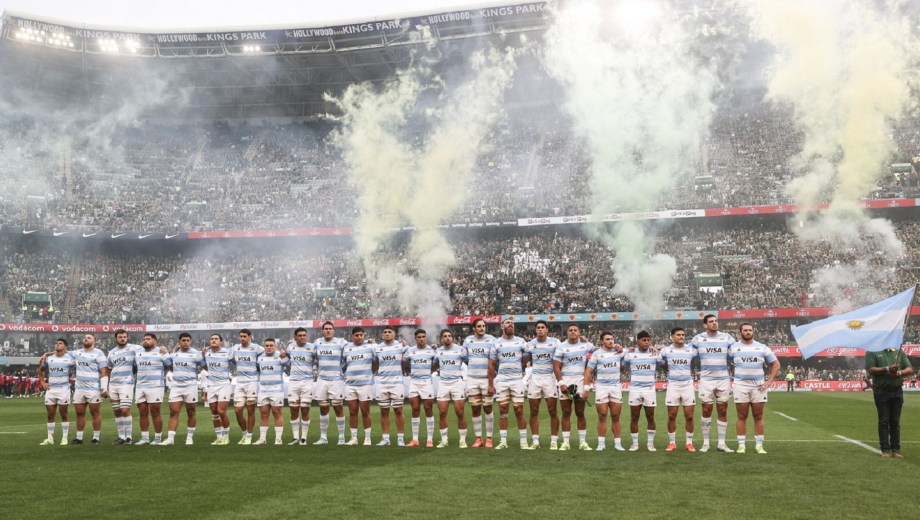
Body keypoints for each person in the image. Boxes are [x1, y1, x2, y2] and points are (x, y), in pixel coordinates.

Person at [729, 323, 780, 454]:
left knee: (758, 415)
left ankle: (759, 446)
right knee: (742, 415)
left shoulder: (762, 347)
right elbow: (724, 362)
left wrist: (768, 381)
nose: (748, 332)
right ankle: (741, 445)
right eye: (745, 330)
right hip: (740, 386)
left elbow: (776, 364)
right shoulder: (733, 348)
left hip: (758, 387)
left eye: (750, 330)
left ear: (753, 332)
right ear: (740, 332)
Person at [689, 314, 735, 453]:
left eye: (716, 321)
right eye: (711, 321)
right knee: (706, 409)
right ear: (705, 325)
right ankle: (706, 443)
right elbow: (686, 352)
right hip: (706, 379)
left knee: (722, 409)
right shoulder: (698, 338)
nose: (714, 323)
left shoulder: (727, 337)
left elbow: (736, 353)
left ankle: (722, 443)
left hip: (723, 378)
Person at [865, 346, 913, 458]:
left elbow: (910, 369)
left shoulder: (899, 351)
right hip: (881, 391)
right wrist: (887, 369)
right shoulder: (873, 351)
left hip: (897, 391)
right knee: (884, 421)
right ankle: (885, 449)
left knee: (895, 422)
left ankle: (896, 449)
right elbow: (871, 369)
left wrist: (899, 373)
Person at [488, 319, 529, 450]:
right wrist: (491, 383)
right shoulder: (496, 343)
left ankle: (523, 441)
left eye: (512, 323)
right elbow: (492, 364)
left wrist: (520, 367)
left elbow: (527, 357)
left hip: (517, 380)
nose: (510, 324)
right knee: (503, 410)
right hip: (502, 381)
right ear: (502, 326)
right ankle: (503, 441)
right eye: (507, 323)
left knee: (519, 410)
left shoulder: (521, 341)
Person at [553, 324, 593, 451]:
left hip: (580, 383)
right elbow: (556, 367)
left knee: (580, 413)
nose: (573, 332)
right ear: (567, 333)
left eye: (575, 330)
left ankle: (583, 442)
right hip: (566, 382)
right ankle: (565, 442)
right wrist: (561, 383)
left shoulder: (586, 345)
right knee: (566, 413)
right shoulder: (561, 347)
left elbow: (600, 349)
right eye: (570, 330)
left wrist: (618, 347)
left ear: (579, 332)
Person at [583, 331, 624, 451]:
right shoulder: (596, 354)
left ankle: (618, 444)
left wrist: (652, 348)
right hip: (601, 387)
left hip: (615, 387)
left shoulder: (619, 352)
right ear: (602, 341)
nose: (611, 341)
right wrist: (586, 388)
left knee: (616, 416)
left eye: (612, 339)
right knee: (602, 415)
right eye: (607, 339)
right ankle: (601, 444)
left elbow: (634, 351)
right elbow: (588, 371)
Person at [523, 320, 560, 450]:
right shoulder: (530, 344)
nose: (540, 329)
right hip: (535, 379)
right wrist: (528, 365)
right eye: (538, 328)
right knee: (534, 411)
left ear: (547, 330)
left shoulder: (555, 342)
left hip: (550, 378)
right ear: (535, 330)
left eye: (542, 327)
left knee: (552, 411)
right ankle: (535, 441)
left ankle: (554, 441)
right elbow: (526, 358)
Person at [162, 333, 204, 446]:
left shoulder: (196, 353)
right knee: (173, 412)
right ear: (179, 341)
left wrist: (204, 356)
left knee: (191, 412)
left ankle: (189, 438)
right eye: (183, 340)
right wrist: (166, 354)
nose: (185, 342)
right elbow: (169, 367)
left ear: (190, 341)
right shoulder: (174, 354)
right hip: (176, 387)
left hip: (190, 386)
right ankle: (170, 439)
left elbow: (204, 366)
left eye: (188, 340)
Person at [660, 327, 697, 452]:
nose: (681, 336)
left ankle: (689, 443)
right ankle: (672, 443)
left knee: (689, 416)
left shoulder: (691, 350)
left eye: (683, 334)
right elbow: (659, 361)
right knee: (671, 415)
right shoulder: (666, 350)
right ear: (672, 337)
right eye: (678, 335)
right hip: (673, 385)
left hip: (687, 385)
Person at [624, 331, 661, 452]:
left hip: (649, 390)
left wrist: (658, 352)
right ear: (637, 341)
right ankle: (635, 444)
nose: (646, 342)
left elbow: (664, 363)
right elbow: (623, 364)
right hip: (635, 389)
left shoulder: (655, 354)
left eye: (648, 340)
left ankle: (650, 444)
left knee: (650, 417)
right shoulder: (630, 354)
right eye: (643, 340)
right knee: (634, 417)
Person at [71, 334, 109, 444]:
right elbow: (62, 353)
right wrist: (47, 354)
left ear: (94, 341)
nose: (86, 338)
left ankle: (96, 437)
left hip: (94, 388)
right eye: (85, 337)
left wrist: (104, 388)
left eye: (89, 337)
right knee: (79, 413)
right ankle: (79, 438)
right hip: (79, 388)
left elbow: (104, 371)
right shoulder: (77, 352)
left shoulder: (99, 353)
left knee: (95, 412)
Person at [314, 321, 348, 445]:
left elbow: (354, 347)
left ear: (333, 331)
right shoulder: (317, 342)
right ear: (322, 331)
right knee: (323, 408)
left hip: (336, 380)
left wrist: (368, 342)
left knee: (338, 407)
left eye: (330, 329)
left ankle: (341, 438)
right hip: (322, 379)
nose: (328, 331)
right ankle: (323, 438)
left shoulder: (341, 342)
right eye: (326, 329)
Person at [463, 318, 496, 448]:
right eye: (479, 326)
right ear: (474, 328)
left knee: (488, 408)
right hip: (472, 379)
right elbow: (466, 358)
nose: (482, 328)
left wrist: (491, 382)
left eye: (483, 326)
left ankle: (489, 438)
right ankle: (478, 438)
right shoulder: (468, 340)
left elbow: (493, 360)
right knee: (475, 408)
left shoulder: (491, 339)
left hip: (486, 380)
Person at [106, 329, 142, 444]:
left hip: (126, 383)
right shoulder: (111, 352)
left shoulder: (134, 348)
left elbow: (146, 351)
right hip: (113, 384)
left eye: (124, 337)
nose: (122, 339)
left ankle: (129, 437)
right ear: (116, 338)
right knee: (117, 411)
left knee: (125, 410)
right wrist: (106, 386)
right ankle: (121, 437)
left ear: (127, 338)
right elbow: (109, 369)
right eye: (120, 337)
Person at [135, 333, 171, 445]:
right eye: (144, 339)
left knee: (155, 412)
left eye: (148, 339)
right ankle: (145, 438)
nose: (145, 341)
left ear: (155, 341)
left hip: (155, 386)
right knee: (142, 413)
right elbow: (134, 368)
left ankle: (157, 438)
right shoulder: (138, 353)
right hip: (140, 386)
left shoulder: (161, 352)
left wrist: (166, 354)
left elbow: (170, 365)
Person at [374, 326, 408, 447]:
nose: (387, 334)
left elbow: (408, 359)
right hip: (382, 383)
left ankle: (400, 438)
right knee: (384, 411)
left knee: (398, 410)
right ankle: (385, 438)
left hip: (397, 383)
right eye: (385, 332)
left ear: (394, 334)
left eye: (389, 332)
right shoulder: (377, 348)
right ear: (382, 335)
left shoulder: (401, 346)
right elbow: (375, 363)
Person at [434, 329, 468, 448]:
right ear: (441, 339)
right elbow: (435, 364)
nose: (447, 338)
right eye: (445, 336)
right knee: (442, 412)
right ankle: (444, 440)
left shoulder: (460, 349)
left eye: (449, 336)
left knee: (460, 412)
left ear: (452, 338)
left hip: (457, 383)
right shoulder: (438, 351)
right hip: (443, 383)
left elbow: (468, 361)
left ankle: (462, 440)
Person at [38, 338, 75, 445]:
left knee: (64, 414)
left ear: (65, 347)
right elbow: (41, 370)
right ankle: (50, 438)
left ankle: (64, 438)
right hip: (51, 390)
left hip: (63, 389)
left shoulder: (70, 359)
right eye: (56, 343)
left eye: (60, 343)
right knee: (50, 414)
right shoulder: (49, 359)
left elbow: (79, 367)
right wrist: (43, 382)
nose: (57, 345)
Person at [253, 338, 290, 445]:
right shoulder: (259, 358)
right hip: (263, 390)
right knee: (263, 413)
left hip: (276, 390)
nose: (269, 347)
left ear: (275, 346)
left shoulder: (280, 356)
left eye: (271, 345)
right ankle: (262, 438)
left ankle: (278, 439)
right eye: (267, 346)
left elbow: (289, 367)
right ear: (264, 346)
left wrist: (285, 357)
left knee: (277, 413)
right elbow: (258, 371)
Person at [231, 329, 264, 445]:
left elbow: (265, 358)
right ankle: (245, 433)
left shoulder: (257, 348)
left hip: (252, 382)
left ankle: (249, 436)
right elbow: (230, 358)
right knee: (237, 410)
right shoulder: (235, 348)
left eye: (244, 336)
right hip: (239, 382)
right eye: (240, 336)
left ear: (250, 337)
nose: (242, 338)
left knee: (250, 410)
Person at [343, 327, 375, 446]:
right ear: (352, 336)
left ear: (364, 336)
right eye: (357, 335)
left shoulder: (370, 347)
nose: (359, 337)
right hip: (350, 384)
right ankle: (354, 438)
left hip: (365, 384)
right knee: (352, 411)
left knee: (365, 411)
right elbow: (342, 363)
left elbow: (376, 361)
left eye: (361, 335)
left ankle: (367, 438)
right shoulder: (347, 348)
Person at [405, 329, 437, 447]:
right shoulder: (410, 351)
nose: (421, 339)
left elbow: (436, 364)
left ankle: (429, 440)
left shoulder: (431, 351)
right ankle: (415, 440)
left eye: (423, 336)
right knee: (415, 409)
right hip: (414, 382)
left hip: (426, 382)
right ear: (415, 338)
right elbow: (406, 364)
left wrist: (428, 373)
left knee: (428, 409)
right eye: (419, 337)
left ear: (426, 337)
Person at [286, 327, 316, 445]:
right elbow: (287, 359)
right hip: (293, 381)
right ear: (295, 337)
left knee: (305, 409)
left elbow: (318, 359)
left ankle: (303, 438)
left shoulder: (312, 348)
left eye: (304, 335)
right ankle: (295, 438)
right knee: (293, 409)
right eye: (300, 335)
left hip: (307, 382)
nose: (302, 337)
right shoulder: (290, 347)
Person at [203, 334, 233, 445]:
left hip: (224, 385)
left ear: (221, 341)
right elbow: (203, 364)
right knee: (214, 413)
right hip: (211, 386)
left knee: (221, 411)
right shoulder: (206, 353)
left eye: (216, 339)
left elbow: (237, 362)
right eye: (211, 339)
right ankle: (219, 437)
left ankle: (226, 436)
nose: (213, 340)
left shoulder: (227, 352)